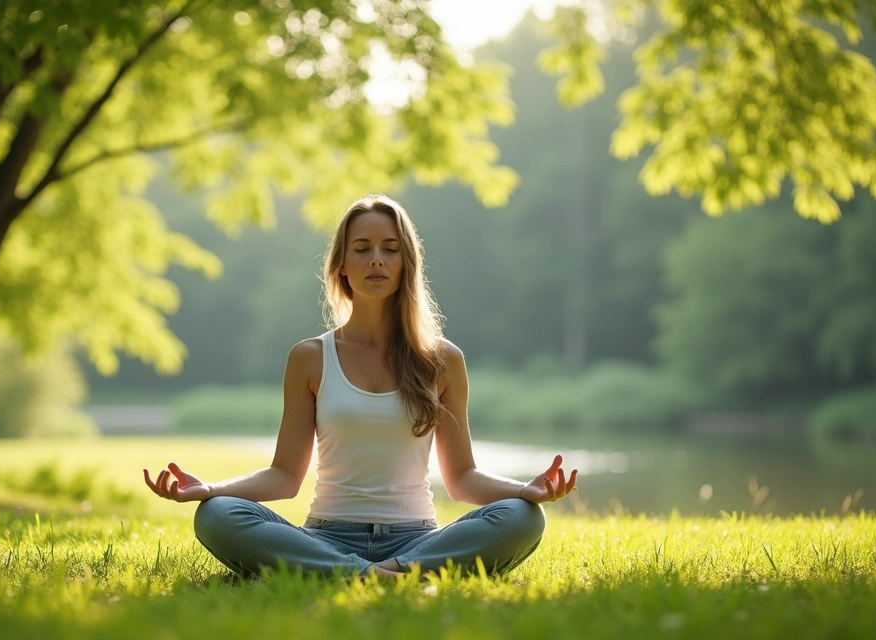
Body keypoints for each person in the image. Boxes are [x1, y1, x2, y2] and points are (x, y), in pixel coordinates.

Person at [143, 194, 577, 579]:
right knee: (217, 516)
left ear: (406, 263)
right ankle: (377, 575)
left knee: (524, 518)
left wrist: (526, 491)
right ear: (342, 266)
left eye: (390, 249)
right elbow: (284, 477)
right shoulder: (310, 357)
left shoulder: (443, 360)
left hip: (417, 541)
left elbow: (461, 479)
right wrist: (211, 490)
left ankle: (374, 573)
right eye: (362, 249)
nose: (376, 260)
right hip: (326, 539)